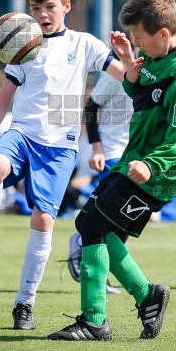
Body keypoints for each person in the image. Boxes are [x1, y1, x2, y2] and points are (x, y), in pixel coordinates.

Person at [0, 0, 124, 331]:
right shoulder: (23, 46)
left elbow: (127, 76)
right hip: (22, 134)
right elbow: (1, 101)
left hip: (59, 149)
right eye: (34, 7)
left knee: (43, 222)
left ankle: (24, 304)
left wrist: (128, 57)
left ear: (66, 6)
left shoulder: (84, 44)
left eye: (49, 6)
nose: (42, 14)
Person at [48, 0, 176, 341]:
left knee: (95, 228)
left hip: (154, 173)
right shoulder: (156, 60)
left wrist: (152, 165)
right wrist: (130, 63)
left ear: (163, 34)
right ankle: (148, 296)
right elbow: (139, 93)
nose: (137, 42)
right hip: (132, 163)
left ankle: (95, 321)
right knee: (87, 221)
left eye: (140, 37)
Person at [66, 44, 136, 294]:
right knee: (111, 217)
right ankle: (83, 245)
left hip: (134, 156)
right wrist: (97, 149)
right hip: (111, 155)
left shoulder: (157, 71)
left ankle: (87, 251)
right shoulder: (118, 73)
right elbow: (90, 107)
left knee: (127, 219)